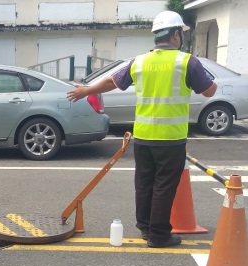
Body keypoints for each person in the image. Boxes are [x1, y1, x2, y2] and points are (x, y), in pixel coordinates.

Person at [66, 11, 217, 248]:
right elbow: (209, 91)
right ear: (177, 34)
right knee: (164, 186)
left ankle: (146, 228)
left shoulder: (140, 62)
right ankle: (159, 235)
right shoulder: (187, 62)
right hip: (170, 138)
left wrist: (86, 90)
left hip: (144, 137)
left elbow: (112, 81)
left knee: (144, 184)